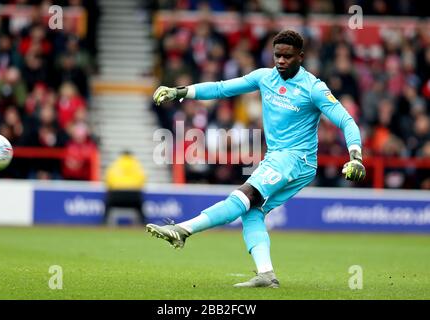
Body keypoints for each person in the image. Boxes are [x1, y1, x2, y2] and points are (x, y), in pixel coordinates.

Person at [146, 30, 366, 288]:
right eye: (277, 55)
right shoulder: (265, 77)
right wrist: (180, 91)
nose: (281, 61)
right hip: (279, 158)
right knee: (252, 211)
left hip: (295, 158)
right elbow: (221, 88)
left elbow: (346, 120)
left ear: (301, 57)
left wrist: (356, 156)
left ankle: (183, 230)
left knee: (243, 195)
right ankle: (266, 275)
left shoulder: (313, 88)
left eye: (288, 56)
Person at [104, 151, 147, 226]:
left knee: (108, 203)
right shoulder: (136, 165)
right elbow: (142, 180)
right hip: (133, 197)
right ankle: (143, 223)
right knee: (140, 205)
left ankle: (104, 222)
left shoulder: (115, 164)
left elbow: (109, 180)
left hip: (116, 196)